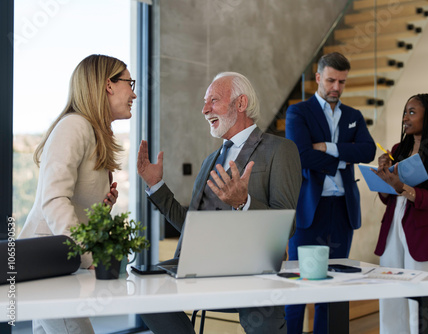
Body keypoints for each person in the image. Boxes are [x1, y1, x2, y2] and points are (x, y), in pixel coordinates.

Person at [137, 72, 302, 334]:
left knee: (265, 318)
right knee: (143, 290)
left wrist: (244, 202)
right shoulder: (210, 160)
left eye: (213, 100)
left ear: (240, 103)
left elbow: (287, 225)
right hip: (199, 266)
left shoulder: (280, 150)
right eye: (205, 102)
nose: (204, 110)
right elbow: (191, 224)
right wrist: (157, 186)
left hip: (252, 271)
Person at [19, 54, 136, 334]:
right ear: (108, 85)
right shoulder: (74, 126)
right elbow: (54, 199)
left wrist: (101, 207)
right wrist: (86, 253)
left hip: (57, 263)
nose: (133, 92)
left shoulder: (91, 132)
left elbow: (72, 201)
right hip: (50, 261)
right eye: (129, 83)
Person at [284, 52, 376, 333]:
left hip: (343, 211)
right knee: (299, 285)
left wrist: (328, 147)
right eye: (331, 80)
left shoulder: (353, 116)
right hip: (309, 211)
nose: (336, 87)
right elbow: (300, 155)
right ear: (318, 78)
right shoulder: (298, 112)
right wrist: (346, 158)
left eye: (342, 82)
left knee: (335, 287)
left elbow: (369, 151)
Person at [373, 94, 428, 334]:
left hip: (423, 233)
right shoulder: (399, 149)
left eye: (412, 112)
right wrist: (384, 177)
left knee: (421, 301)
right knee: (390, 296)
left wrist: (401, 186)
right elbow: (388, 198)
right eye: (404, 112)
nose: (405, 118)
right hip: (392, 229)